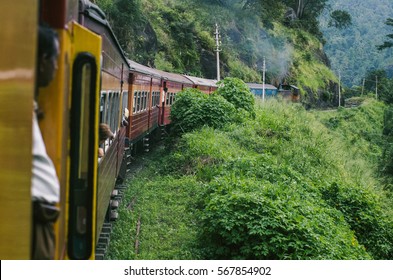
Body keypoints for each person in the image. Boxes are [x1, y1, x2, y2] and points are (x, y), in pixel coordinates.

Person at [31, 25, 60, 259]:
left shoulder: (28, 106)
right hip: (33, 221)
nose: (57, 67)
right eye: (55, 59)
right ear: (42, 60)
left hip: (39, 218)